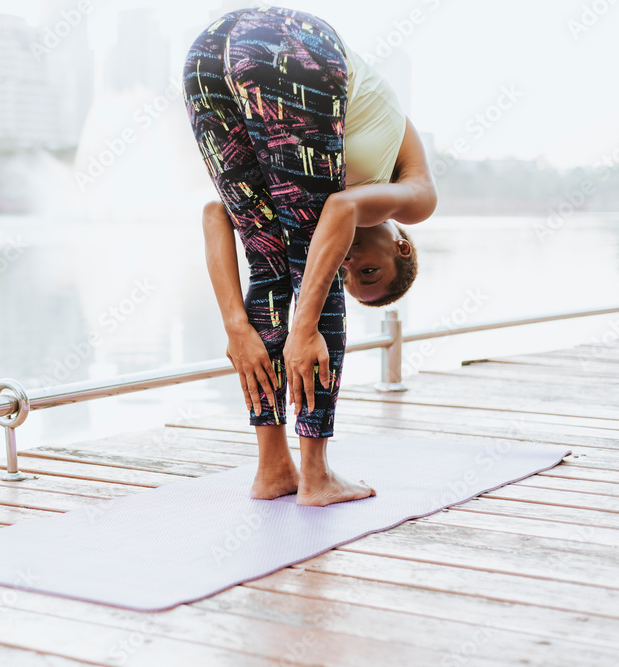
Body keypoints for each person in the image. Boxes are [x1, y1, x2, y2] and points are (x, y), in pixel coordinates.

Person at [182, 5, 437, 506]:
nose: (350, 264)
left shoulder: (324, 184)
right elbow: (341, 207)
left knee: (271, 260)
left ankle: (274, 469)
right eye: (369, 269)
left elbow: (216, 214)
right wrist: (303, 328)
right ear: (400, 246)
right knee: (310, 277)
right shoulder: (417, 198)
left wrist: (237, 325)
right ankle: (317, 476)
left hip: (207, 55)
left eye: (351, 275)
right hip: (291, 45)